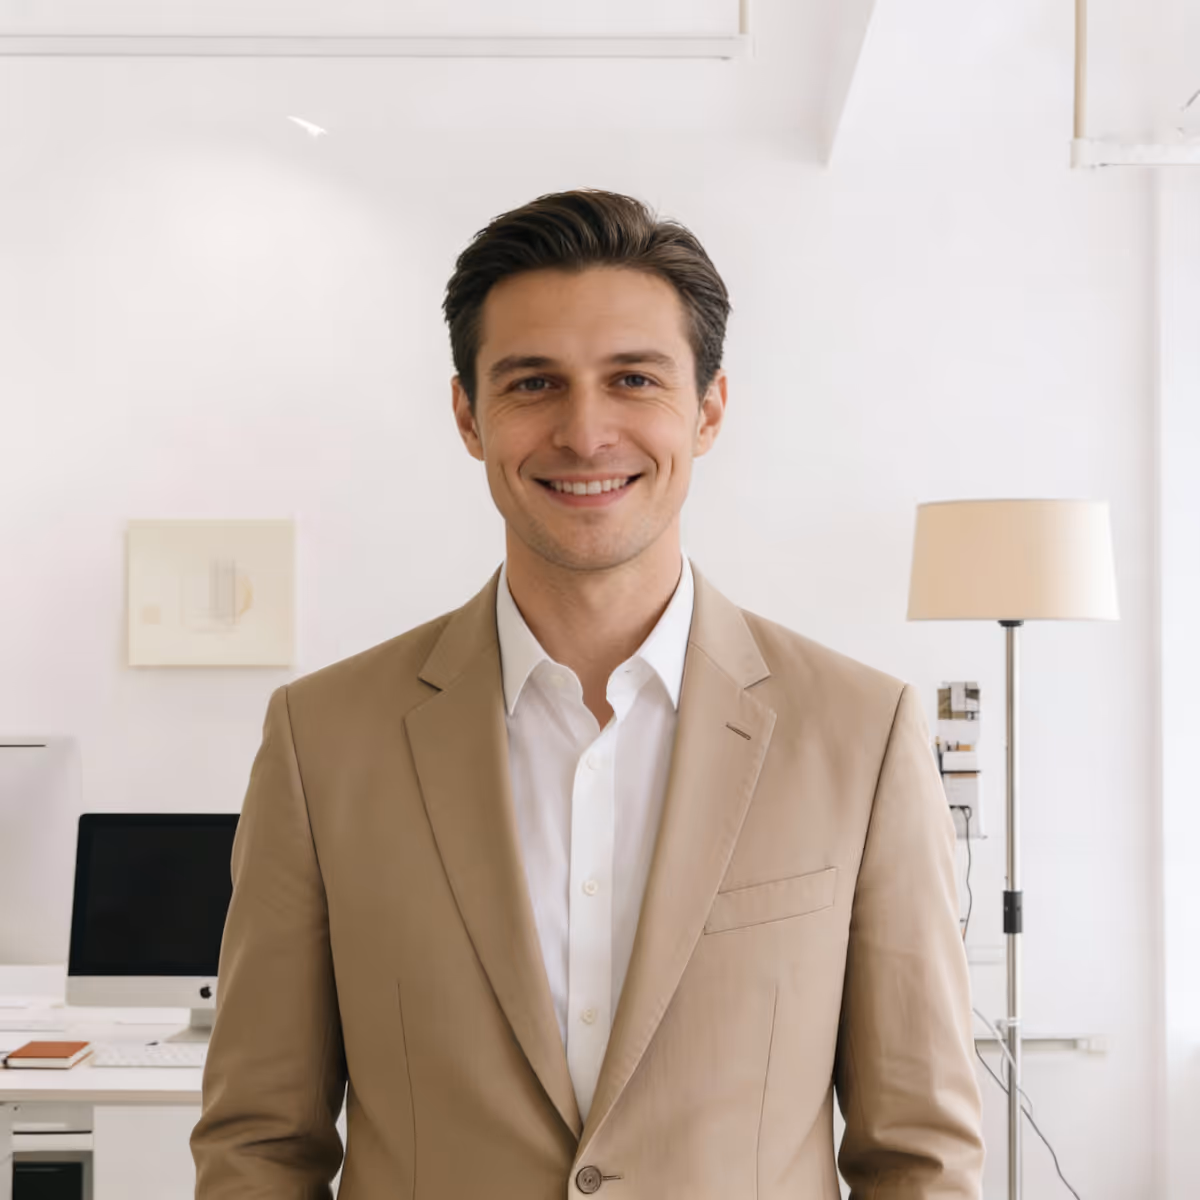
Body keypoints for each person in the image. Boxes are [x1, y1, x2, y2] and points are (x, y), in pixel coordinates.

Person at [190, 188, 984, 1198]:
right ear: (468, 417)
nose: (586, 430)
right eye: (532, 383)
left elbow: (920, 1156)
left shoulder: (862, 735)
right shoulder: (322, 741)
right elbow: (260, 1144)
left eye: (633, 380)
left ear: (708, 411)